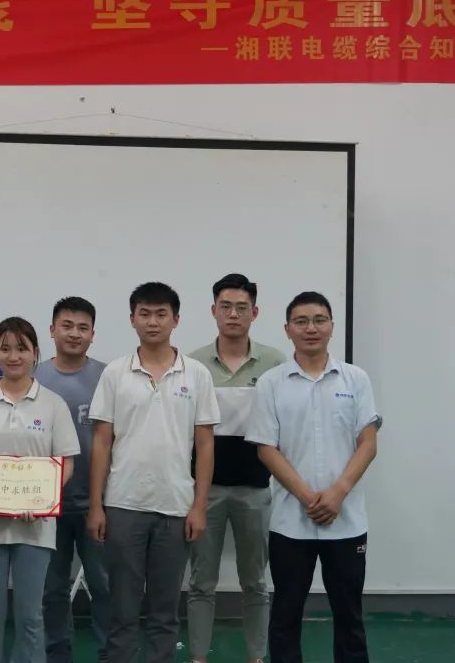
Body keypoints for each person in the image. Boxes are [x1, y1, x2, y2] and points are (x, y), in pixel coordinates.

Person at [246, 291, 382, 663]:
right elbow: (266, 448)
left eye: (319, 320)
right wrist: (308, 497)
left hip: (346, 520)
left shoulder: (355, 379)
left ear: (331, 326)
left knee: (349, 616)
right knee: (285, 616)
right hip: (290, 523)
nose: (311, 328)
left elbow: (368, 442)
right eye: (302, 321)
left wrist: (338, 492)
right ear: (287, 329)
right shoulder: (271, 383)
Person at [87, 282, 219, 663]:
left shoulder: (196, 374)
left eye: (161, 314)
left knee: (164, 613)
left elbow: (205, 445)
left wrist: (199, 506)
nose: (153, 321)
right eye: (144, 314)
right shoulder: (115, 373)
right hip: (123, 504)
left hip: (176, 506)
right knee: (122, 611)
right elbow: (102, 442)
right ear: (132, 319)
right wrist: (96, 506)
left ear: (176, 320)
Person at [0, 317, 81, 663]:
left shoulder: (53, 404)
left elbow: (66, 462)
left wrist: (41, 500)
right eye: (5, 348)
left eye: (21, 348)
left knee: (30, 617)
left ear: (35, 353)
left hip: (36, 524)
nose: (13, 356)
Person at [186, 274, 286, 663]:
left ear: (254, 313)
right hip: (204, 492)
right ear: (214, 311)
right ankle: (198, 656)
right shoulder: (192, 364)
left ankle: (257, 656)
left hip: (255, 491)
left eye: (241, 308)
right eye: (225, 307)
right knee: (201, 583)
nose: (233, 314)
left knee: (256, 582)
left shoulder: (275, 363)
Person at [35, 297, 110, 663]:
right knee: (52, 590)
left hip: (98, 503)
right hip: (46, 505)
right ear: (52, 330)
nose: (74, 334)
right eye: (67, 326)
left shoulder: (108, 377)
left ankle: (110, 654)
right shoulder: (34, 377)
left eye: (83, 328)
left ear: (93, 334)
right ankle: (57, 655)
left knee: (105, 586)